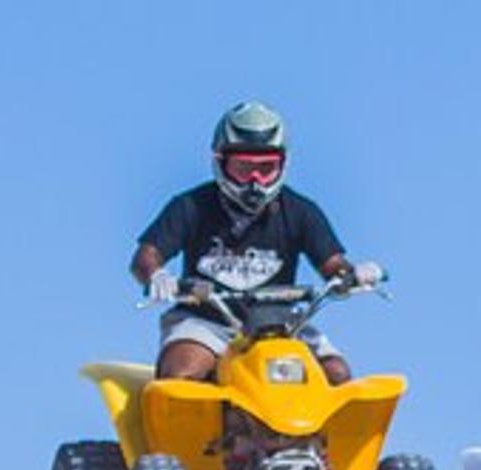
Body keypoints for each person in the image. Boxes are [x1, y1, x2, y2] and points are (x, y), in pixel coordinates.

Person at [132, 101, 383, 386]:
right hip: (206, 322)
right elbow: (146, 255)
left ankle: (332, 432)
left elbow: (332, 264)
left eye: (266, 168)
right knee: (181, 374)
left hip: (283, 325)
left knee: (337, 374)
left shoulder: (300, 211)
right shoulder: (191, 206)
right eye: (243, 168)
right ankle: (179, 429)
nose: (254, 181)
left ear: (282, 165)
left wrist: (352, 275)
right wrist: (157, 275)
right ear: (219, 162)